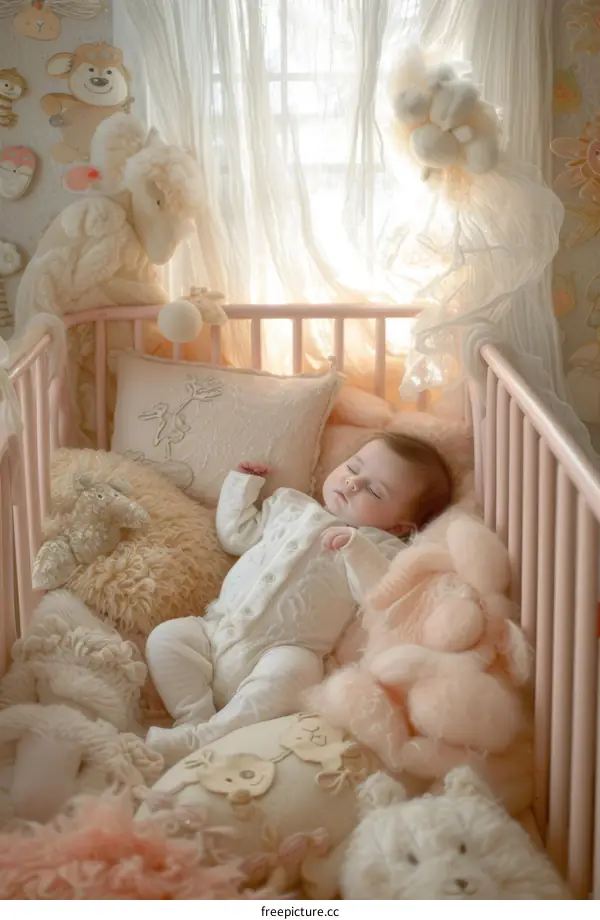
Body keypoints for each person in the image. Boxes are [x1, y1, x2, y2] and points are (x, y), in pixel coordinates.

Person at [145, 432, 453, 763]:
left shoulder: (379, 547)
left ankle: (209, 736)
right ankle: (193, 716)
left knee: (296, 674)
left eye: (374, 491)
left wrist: (356, 548)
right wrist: (241, 484)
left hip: (282, 650)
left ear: (396, 527)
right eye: (353, 468)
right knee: (165, 638)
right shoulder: (289, 504)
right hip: (214, 630)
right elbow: (236, 535)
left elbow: (378, 595)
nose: (352, 483)